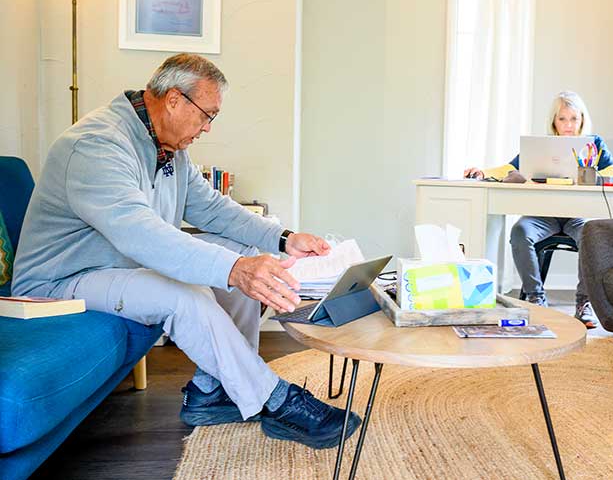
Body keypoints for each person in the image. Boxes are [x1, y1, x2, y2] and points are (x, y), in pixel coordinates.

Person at [12, 53, 361, 449]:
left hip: (113, 265)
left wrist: (282, 239)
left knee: (240, 252)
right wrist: (235, 268)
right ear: (175, 100)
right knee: (189, 292)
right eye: (206, 115)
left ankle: (214, 391)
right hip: (58, 282)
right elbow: (143, 236)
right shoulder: (96, 145)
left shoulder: (167, 146)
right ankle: (275, 400)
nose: (208, 128)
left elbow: (211, 208)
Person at [463, 91, 613, 329]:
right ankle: (536, 299)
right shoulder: (542, 145)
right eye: (562, 119)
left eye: (574, 119)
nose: (568, 125)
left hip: (577, 216)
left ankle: (583, 303)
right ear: (554, 122)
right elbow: (509, 168)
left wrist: (590, 176)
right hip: (543, 215)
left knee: (592, 235)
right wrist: (483, 172)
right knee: (520, 231)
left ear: (582, 120)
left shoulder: (593, 144)